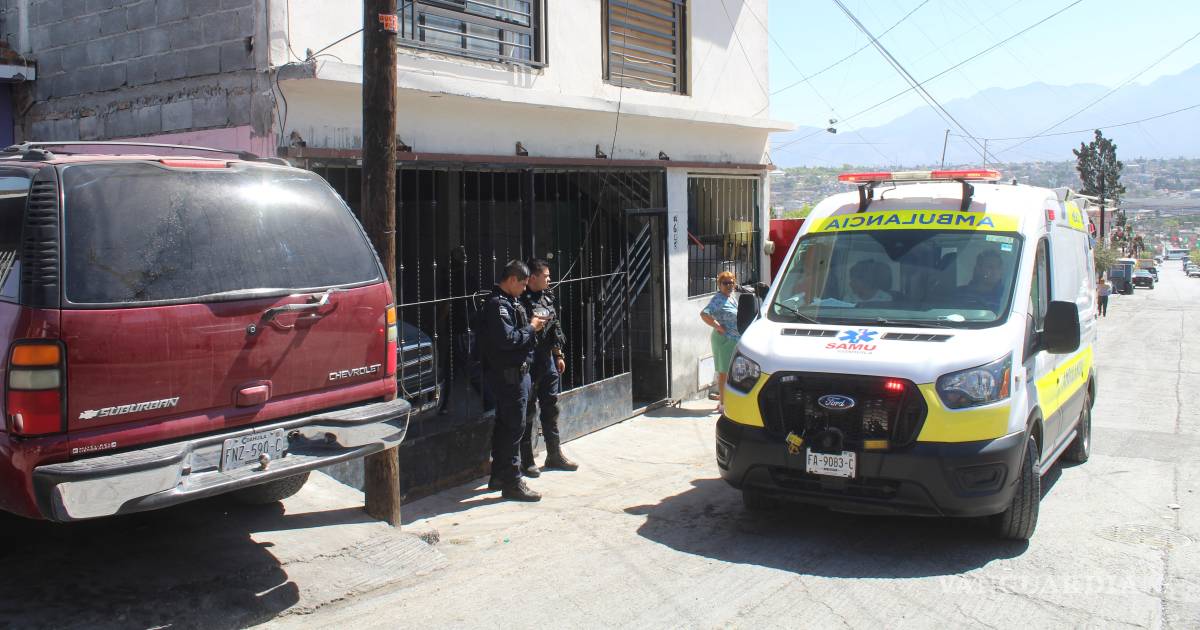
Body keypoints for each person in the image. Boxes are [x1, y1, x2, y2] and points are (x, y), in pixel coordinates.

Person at [481, 260, 547, 502]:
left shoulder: (511, 302)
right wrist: (531, 328)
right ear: (511, 280)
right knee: (513, 429)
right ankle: (513, 482)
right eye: (522, 284)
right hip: (509, 376)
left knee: (506, 425)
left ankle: (499, 475)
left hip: (519, 373)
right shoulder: (497, 305)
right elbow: (507, 339)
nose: (524, 289)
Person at [519, 259, 579, 478]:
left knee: (551, 408)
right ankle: (526, 459)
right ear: (533, 277)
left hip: (547, 360)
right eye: (545, 276)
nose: (549, 279)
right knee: (528, 411)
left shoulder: (547, 296)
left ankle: (554, 454)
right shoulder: (520, 300)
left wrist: (558, 354)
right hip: (529, 362)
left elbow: (555, 327)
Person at [700, 271, 741, 415]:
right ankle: (723, 404)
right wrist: (718, 326)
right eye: (726, 283)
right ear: (719, 284)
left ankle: (724, 399)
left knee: (730, 372)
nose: (729, 285)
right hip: (725, 340)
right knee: (724, 372)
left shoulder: (731, 297)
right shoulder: (718, 299)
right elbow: (704, 314)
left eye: (731, 282)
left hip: (734, 339)